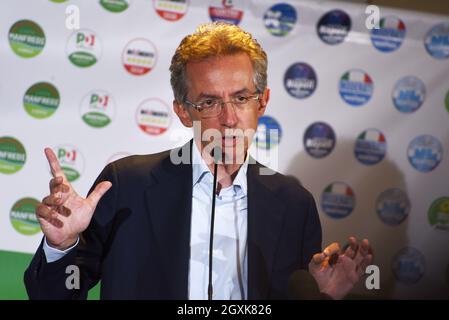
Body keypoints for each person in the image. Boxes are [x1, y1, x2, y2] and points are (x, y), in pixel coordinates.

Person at [24, 22, 372, 300]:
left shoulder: (295, 204)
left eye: (241, 98)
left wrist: (325, 295)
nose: (230, 118)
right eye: (208, 102)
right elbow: (52, 294)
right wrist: (62, 247)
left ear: (262, 102)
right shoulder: (126, 185)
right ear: (182, 111)